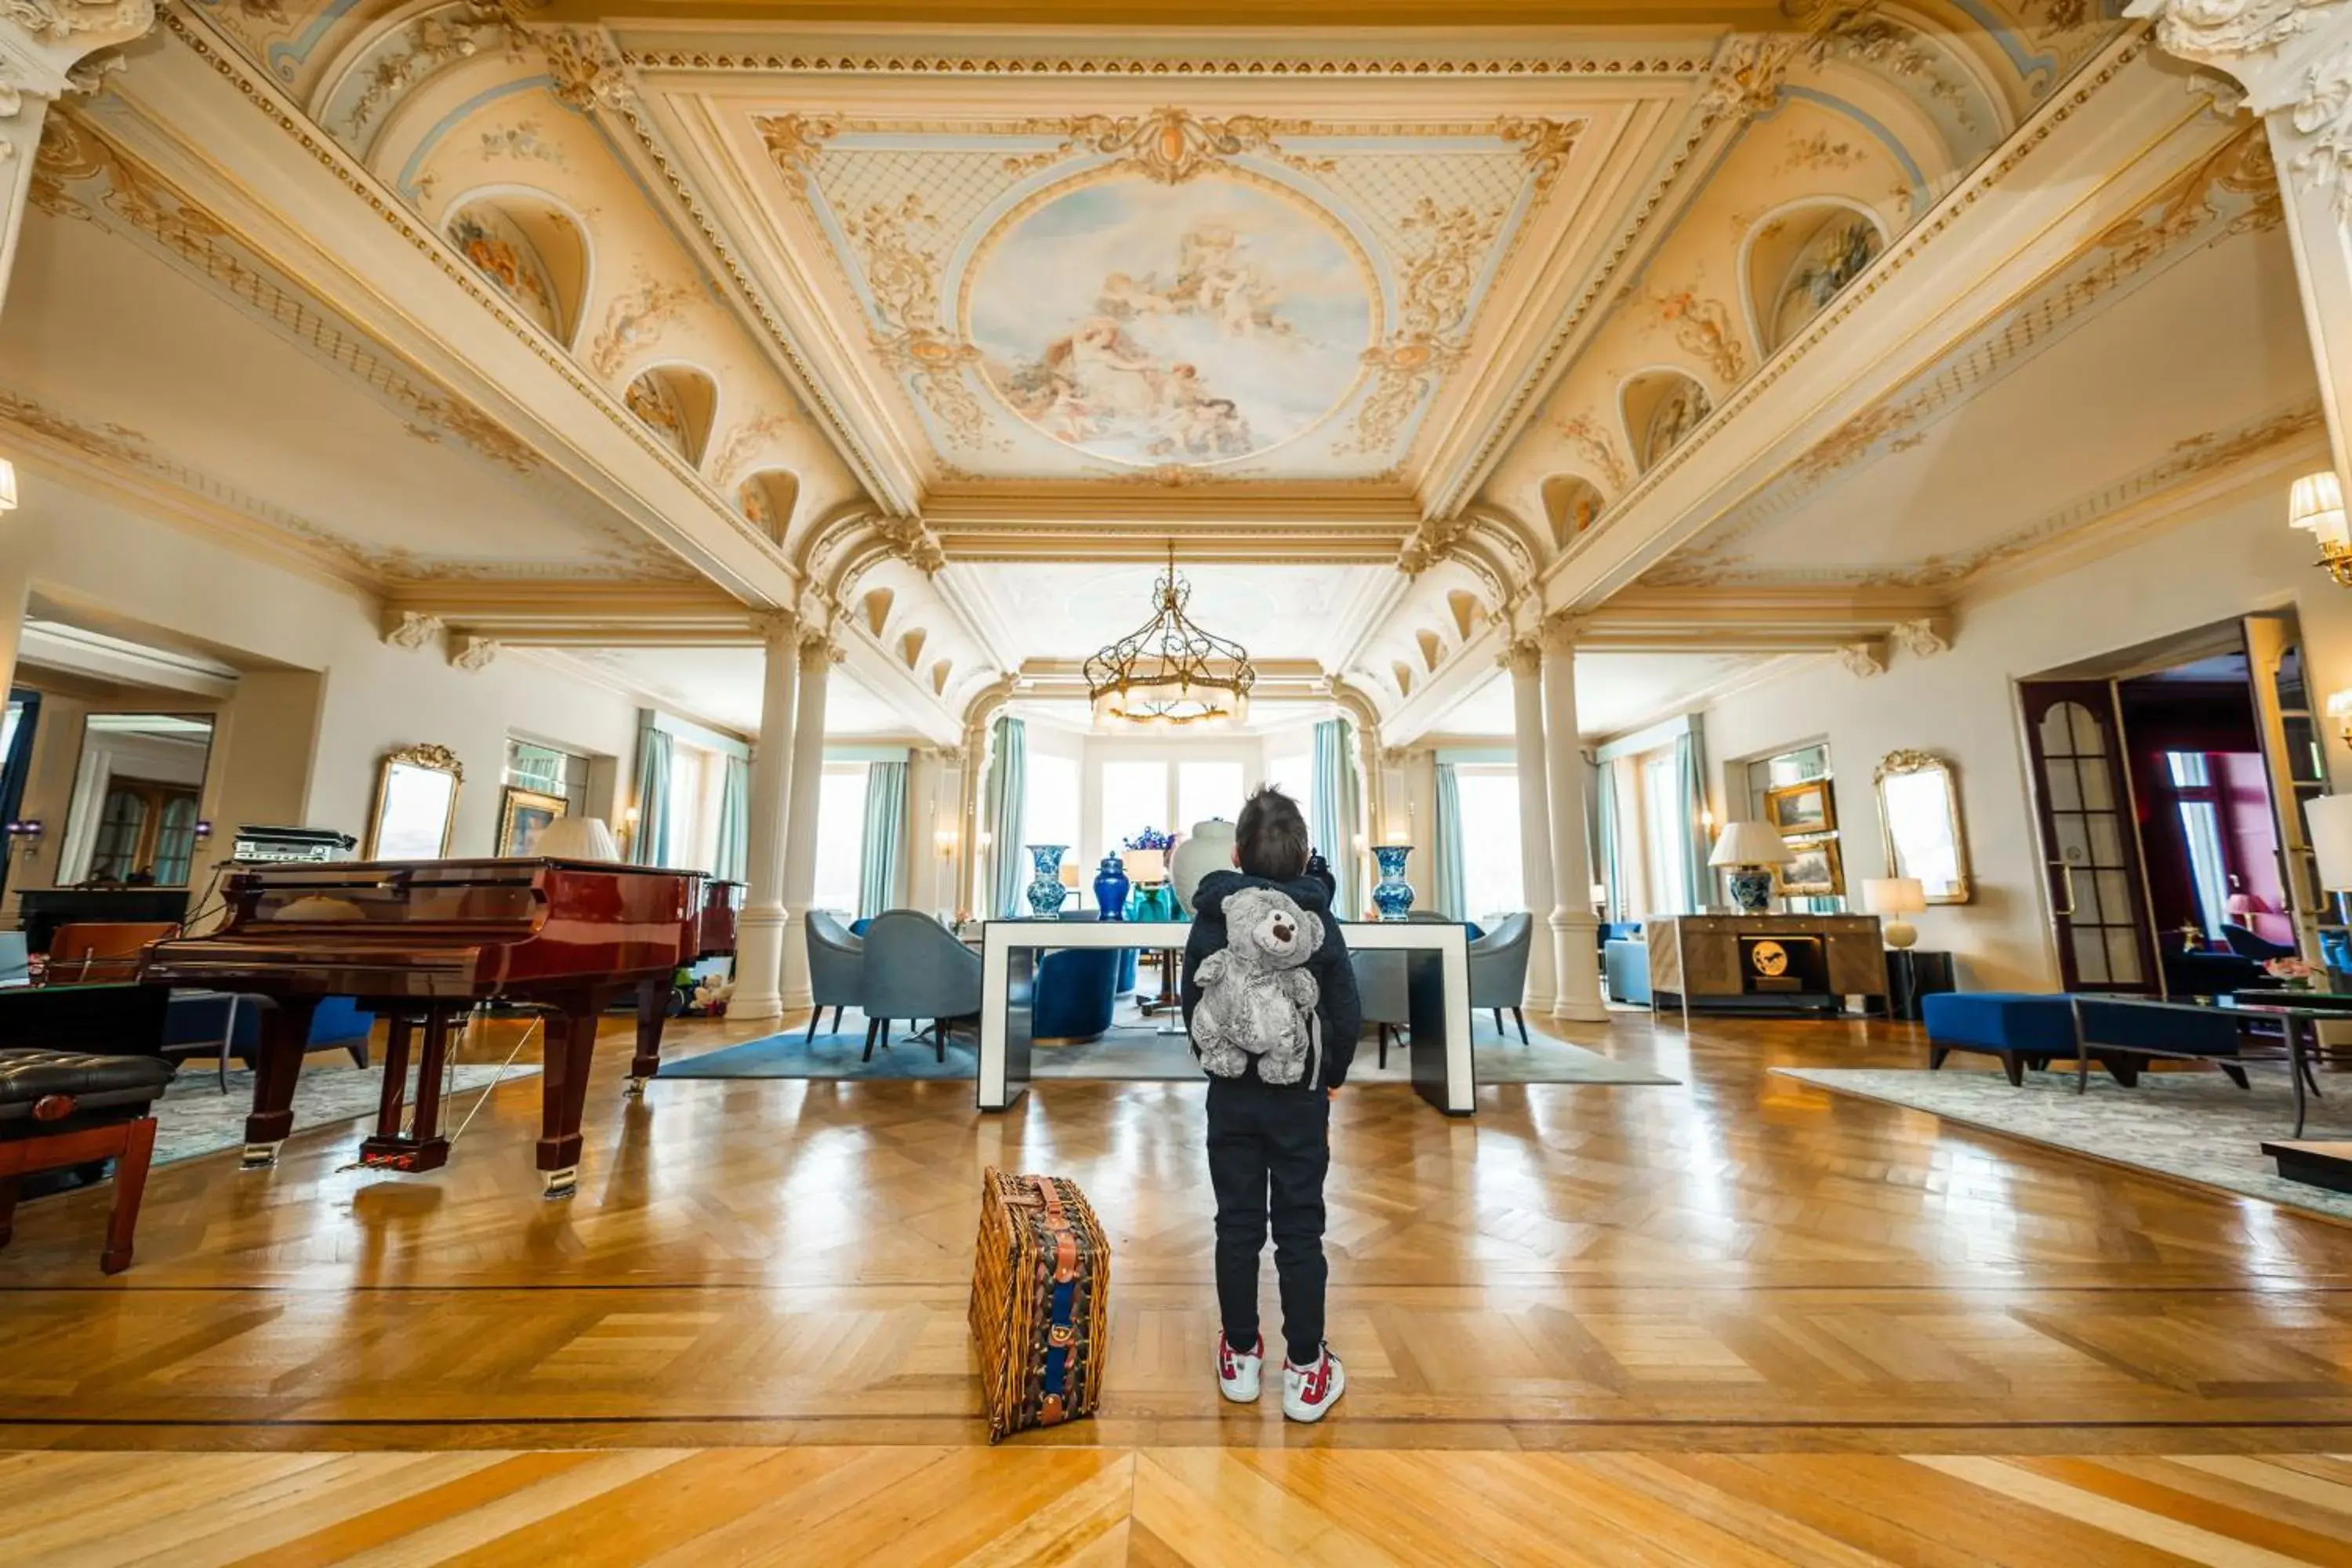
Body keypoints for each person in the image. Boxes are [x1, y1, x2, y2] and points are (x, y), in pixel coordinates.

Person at [1180, 785, 1360, 1422]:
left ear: (1235, 852)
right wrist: (1332, 1072)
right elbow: (1344, 1006)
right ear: (1307, 854)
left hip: (1230, 1098)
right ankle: (1307, 1370)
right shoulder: (1318, 918)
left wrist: (1212, 1061)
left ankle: (1240, 1355)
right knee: (1299, 1231)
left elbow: (1191, 999)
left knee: (1236, 1226)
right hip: (1300, 1100)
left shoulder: (1214, 912)